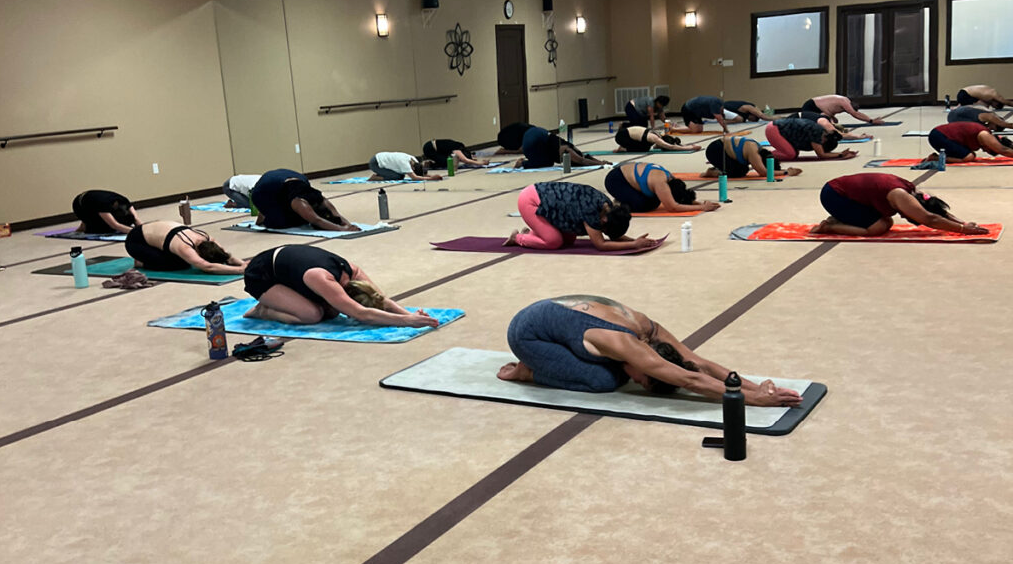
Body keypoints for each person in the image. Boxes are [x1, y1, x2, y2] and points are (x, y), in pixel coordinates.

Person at [498, 295, 802, 405]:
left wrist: (753, 385)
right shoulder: (626, 344)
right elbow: (690, 380)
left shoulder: (649, 330)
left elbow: (696, 363)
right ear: (648, 363)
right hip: (528, 334)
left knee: (616, 373)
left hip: (553, 318)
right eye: (642, 379)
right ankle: (527, 372)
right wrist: (754, 400)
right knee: (604, 380)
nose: (636, 380)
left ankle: (553, 359)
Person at [243, 244, 438, 327]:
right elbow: (362, 313)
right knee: (312, 315)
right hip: (262, 274)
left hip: (289, 271)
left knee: (331, 313)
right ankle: (263, 310)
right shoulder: (322, 279)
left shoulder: (354, 273)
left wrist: (408, 313)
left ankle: (285, 300)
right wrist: (407, 321)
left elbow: (380, 299)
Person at [813, 173, 987, 238]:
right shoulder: (901, 195)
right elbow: (930, 219)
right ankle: (829, 227)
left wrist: (962, 222)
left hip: (843, 191)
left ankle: (841, 219)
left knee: (886, 221)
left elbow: (937, 211)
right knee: (878, 227)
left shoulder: (914, 193)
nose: (903, 216)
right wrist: (962, 230)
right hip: (834, 195)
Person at [506, 182, 657, 251]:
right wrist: (633, 245)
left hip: (547, 203)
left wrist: (634, 240)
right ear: (604, 221)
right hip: (531, 201)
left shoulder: (607, 207)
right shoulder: (591, 210)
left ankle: (534, 233)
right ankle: (518, 238)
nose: (602, 231)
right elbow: (601, 244)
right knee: (554, 242)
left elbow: (611, 234)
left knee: (569, 240)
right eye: (604, 229)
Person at [251, 168, 358, 230]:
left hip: (284, 180)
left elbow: (336, 214)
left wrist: (348, 224)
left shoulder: (320, 198)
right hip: (262, 192)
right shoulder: (300, 202)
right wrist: (342, 229)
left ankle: (267, 213)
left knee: (299, 218)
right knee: (282, 223)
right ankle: (265, 216)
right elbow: (316, 220)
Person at [125, 221, 247, 274]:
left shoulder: (208, 238)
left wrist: (243, 264)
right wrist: (239, 270)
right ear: (198, 253)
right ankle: (141, 262)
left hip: (155, 234)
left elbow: (227, 256)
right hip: (136, 241)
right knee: (180, 264)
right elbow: (207, 266)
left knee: (184, 259)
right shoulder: (185, 246)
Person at [604, 162, 720, 213]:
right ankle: (619, 202)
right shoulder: (661, 184)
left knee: (654, 201)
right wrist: (702, 207)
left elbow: (681, 196)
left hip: (630, 179)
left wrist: (699, 203)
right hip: (616, 180)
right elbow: (673, 207)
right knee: (645, 205)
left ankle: (626, 198)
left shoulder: (670, 178)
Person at [703, 133, 801, 179]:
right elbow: (763, 172)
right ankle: (712, 172)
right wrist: (786, 172)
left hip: (724, 149)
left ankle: (718, 168)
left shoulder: (759, 150)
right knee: (738, 173)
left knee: (743, 169)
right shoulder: (754, 153)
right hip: (715, 150)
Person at [765, 117, 858, 162]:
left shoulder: (822, 132)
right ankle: (763, 155)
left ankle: (769, 153)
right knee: (790, 155)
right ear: (824, 141)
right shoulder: (817, 133)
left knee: (794, 154)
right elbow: (821, 155)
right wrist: (840, 154)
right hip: (774, 129)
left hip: (780, 130)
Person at [515, 125, 607, 168]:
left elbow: (585, 156)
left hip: (537, 135)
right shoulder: (567, 151)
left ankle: (527, 160)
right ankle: (522, 163)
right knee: (546, 163)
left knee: (549, 161)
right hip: (533, 143)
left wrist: (601, 162)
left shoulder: (569, 147)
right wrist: (601, 164)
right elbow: (582, 160)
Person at [926, 122, 1013, 161]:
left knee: (970, 154)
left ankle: (938, 157)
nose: (983, 150)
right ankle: (936, 158)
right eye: (987, 150)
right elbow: (1003, 150)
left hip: (940, 135)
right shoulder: (985, 135)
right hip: (939, 136)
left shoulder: (985, 135)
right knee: (969, 157)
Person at [72, 190, 140, 235]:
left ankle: (86, 223)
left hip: (91, 201)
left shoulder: (124, 200)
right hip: (79, 206)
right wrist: (134, 232)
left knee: (129, 219)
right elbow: (114, 225)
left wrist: (142, 229)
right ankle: (86, 224)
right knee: (105, 229)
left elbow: (136, 219)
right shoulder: (104, 204)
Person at [613, 122, 701, 153]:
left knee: (646, 147)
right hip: (621, 136)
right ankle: (623, 148)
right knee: (644, 149)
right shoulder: (655, 138)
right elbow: (671, 146)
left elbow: (672, 143)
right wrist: (690, 147)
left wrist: (684, 145)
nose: (659, 147)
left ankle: (624, 147)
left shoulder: (659, 135)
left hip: (627, 134)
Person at [798, 94, 884, 124]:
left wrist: (832, 118)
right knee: (828, 125)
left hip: (818, 108)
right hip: (811, 106)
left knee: (834, 122)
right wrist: (871, 120)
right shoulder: (844, 101)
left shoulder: (843, 102)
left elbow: (829, 110)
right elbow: (855, 114)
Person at [368, 151, 442, 182]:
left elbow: (420, 174)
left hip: (382, 159)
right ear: (412, 168)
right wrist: (431, 178)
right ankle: (375, 177)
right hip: (375, 163)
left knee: (401, 175)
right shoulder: (404, 163)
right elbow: (414, 178)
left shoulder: (414, 160)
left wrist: (432, 176)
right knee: (397, 177)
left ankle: (382, 173)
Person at [422, 138, 490, 169]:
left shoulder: (457, 146)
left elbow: (465, 158)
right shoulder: (457, 149)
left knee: (449, 159)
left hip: (432, 146)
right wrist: (481, 163)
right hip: (429, 148)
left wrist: (473, 160)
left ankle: (431, 163)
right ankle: (430, 164)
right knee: (447, 163)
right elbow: (465, 160)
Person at [946, 104, 1013, 130]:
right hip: (955, 117)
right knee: (981, 129)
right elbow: (1005, 124)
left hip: (955, 114)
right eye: (992, 127)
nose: (990, 128)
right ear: (995, 123)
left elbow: (974, 106)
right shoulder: (990, 116)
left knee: (982, 128)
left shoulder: (987, 113)